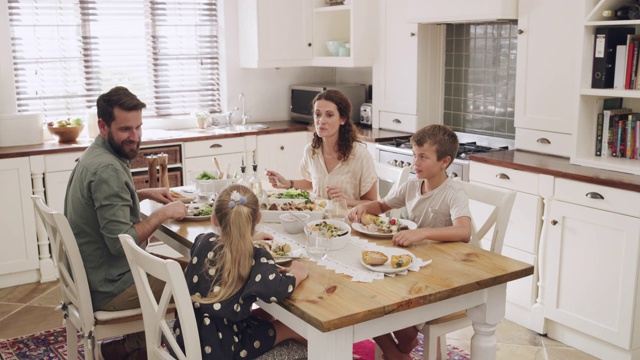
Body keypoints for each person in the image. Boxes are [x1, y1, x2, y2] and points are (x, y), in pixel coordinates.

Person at [64, 86, 189, 360]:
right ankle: (186, 353)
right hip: (108, 287)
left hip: (90, 275)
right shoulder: (108, 169)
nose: (134, 137)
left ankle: (129, 350)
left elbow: (103, 205)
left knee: (174, 268)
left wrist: (141, 194)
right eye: (125, 130)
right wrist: (163, 213)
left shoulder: (95, 155)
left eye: (138, 127)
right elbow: (122, 245)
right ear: (103, 125)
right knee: (196, 277)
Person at [347, 124, 472, 359]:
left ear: (445, 162)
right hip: (414, 265)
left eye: (423, 157)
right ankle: (398, 350)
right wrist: (363, 206)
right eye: (415, 155)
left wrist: (422, 233)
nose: (415, 162)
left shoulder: (453, 192)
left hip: (443, 276)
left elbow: (464, 231)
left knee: (375, 296)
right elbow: (383, 206)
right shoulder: (413, 185)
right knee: (364, 291)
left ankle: (397, 349)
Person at [173, 184, 309, 358]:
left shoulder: (202, 241)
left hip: (185, 336)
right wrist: (298, 273)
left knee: (264, 315)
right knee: (293, 326)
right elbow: (278, 290)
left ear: (214, 220)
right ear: (258, 218)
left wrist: (244, 238)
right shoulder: (257, 257)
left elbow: (222, 251)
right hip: (224, 347)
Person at [266, 89, 377, 206]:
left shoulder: (360, 155)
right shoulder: (310, 151)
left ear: (342, 119)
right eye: (317, 114)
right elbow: (313, 182)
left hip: (349, 222)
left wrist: (348, 201)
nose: (321, 120)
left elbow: (373, 203)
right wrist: (288, 183)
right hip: (318, 222)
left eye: (329, 115)